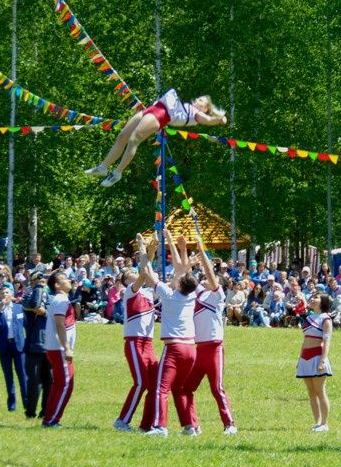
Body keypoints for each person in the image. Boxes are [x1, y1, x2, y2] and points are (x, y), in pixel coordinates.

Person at [85, 89, 227, 187]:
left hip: (160, 115)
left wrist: (220, 119)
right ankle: (103, 167)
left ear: (205, 108)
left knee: (134, 139)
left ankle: (117, 173)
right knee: (122, 136)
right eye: (198, 98)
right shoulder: (187, 106)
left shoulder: (197, 114)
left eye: (201, 100)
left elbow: (209, 120)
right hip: (152, 109)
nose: (197, 100)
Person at [139, 230, 198, 437]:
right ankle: (190, 426)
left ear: (180, 284)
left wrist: (145, 250)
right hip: (191, 349)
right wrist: (173, 243)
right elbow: (182, 270)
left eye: (177, 278)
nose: (174, 276)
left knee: (161, 389)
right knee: (180, 388)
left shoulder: (169, 294)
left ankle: (160, 426)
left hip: (174, 348)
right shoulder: (191, 296)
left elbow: (147, 271)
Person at [183, 236, 237, 435]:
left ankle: (230, 425)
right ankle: (193, 425)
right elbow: (187, 273)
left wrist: (202, 250)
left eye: (208, 279)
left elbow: (210, 274)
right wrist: (184, 250)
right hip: (198, 349)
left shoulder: (217, 295)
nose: (204, 279)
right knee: (186, 388)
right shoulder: (198, 293)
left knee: (217, 389)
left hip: (214, 348)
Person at [113, 235, 158, 432]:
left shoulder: (148, 293)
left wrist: (152, 251)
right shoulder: (130, 292)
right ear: (125, 281)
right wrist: (143, 249)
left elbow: (148, 272)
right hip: (134, 342)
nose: (132, 273)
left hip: (148, 343)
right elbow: (143, 273)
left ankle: (147, 425)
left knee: (154, 384)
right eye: (128, 273)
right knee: (140, 383)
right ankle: (122, 421)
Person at [42, 271, 77, 427]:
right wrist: (67, 348)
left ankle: (49, 417)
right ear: (57, 285)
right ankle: (52, 420)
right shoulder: (61, 299)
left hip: (56, 348)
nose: (68, 280)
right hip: (59, 349)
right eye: (64, 279)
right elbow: (59, 324)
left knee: (58, 384)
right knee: (66, 384)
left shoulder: (61, 299)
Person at [297, 292, 333, 432]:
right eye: (312, 297)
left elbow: (327, 341)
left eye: (316, 298)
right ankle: (317, 422)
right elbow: (305, 340)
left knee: (320, 391)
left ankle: (324, 423)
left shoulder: (326, 319)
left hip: (317, 357)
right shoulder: (309, 318)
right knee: (311, 392)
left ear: (323, 301)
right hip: (305, 358)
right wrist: (299, 358)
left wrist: (323, 360)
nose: (312, 299)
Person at [0, 286, 27, 412]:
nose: (5, 295)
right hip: (3, 346)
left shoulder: (19, 308)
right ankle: (12, 404)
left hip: (19, 346)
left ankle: (27, 404)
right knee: (8, 376)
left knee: (23, 375)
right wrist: (0, 309)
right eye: (2, 293)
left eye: (7, 293)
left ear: (11, 295)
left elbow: (27, 324)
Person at [22, 271, 52, 419]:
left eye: (44, 279)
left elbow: (54, 314)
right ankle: (30, 412)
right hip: (34, 345)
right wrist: (38, 289)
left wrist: (45, 312)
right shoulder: (27, 297)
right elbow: (34, 304)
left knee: (50, 381)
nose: (42, 281)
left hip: (51, 345)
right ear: (32, 282)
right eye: (38, 279)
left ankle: (45, 412)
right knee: (34, 380)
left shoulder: (53, 298)